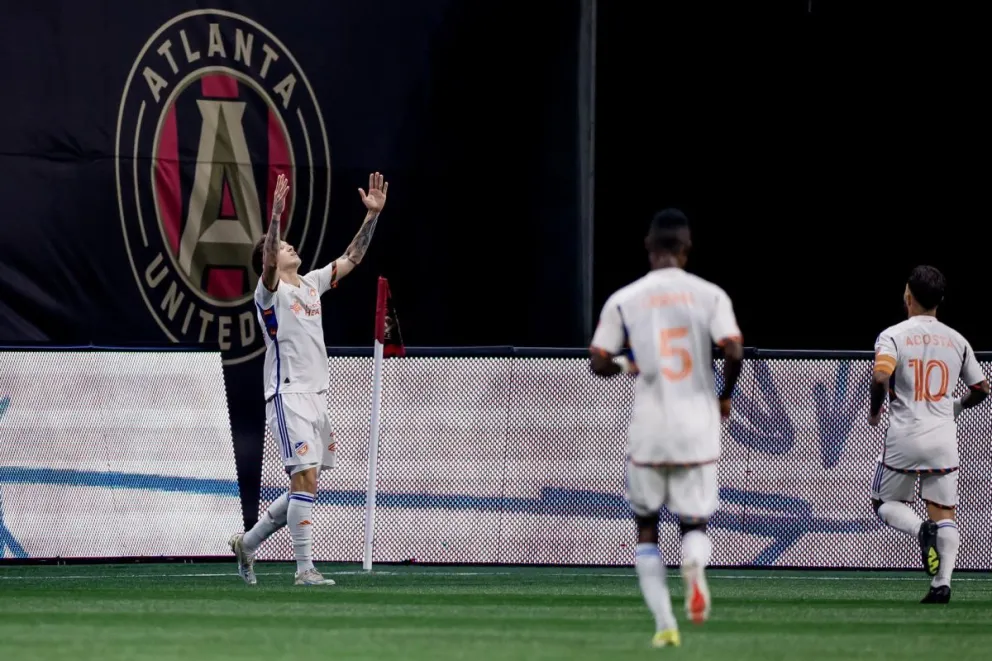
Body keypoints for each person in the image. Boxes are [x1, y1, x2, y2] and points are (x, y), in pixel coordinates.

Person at [589, 208, 743, 648]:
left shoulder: (626, 298)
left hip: (649, 429)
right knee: (694, 527)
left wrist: (626, 363)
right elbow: (733, 349)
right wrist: (724, 396)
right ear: (687, 247)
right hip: (697, 426)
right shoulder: (710, 295)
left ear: (648, 247)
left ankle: (664, 624)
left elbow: (597, 360)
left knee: (646, 529)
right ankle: (693, 567)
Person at [229, 171, 389, 586]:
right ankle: (304, 570)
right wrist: (275, 220)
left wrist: (371, 216)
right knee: (305, 479)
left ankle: (248, 544)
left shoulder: (312, 284)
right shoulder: (269, 294)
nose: (290, 245)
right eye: (283, 245)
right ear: (272, 259)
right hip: (288, 395)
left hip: (317, 396)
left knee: (308, 481)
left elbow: (352, 258)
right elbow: (266, 268)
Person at [868, 265, 989, 603]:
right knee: (944, 512)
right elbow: (982, 388)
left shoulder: (893, 334)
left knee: (884, 501)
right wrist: (957, 406)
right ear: (941, 300)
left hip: (905, 434)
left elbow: (881, 376)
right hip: (943, 438)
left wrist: (876, 411)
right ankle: (942, 583)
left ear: (908, 295)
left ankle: (921, 530)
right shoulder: (957, 339)